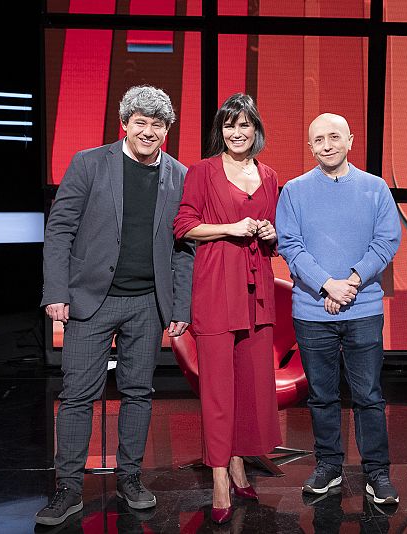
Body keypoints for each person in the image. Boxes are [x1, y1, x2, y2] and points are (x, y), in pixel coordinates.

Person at [36, 85, 195, 526]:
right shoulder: (90, 163)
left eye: (157, 124)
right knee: (77, 397)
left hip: (148, 303)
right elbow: (60, 230)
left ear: (167, 129)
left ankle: (130, 478)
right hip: (92, 299)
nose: (148, 131)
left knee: (138, 393)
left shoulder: (179, 175)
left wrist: (181, 306)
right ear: (124, 123)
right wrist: (56, 293)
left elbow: (184, 249)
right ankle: (68, 488)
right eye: (140, 122)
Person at [276, 113, 402, 505]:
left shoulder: (375, 187)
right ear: (310, 146)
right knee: (322, 395)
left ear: (350, 140)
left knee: (368, 394)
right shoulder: (294, 191)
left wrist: (349, 283)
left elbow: (386, 241)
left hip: (362, 307)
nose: (327, 145)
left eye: (334, 137)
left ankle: (377, 472)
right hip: (312, 310)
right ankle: (328, 465)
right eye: (318, 139)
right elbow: (290, 246)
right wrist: (327, 285)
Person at [173, 93, 281, 524]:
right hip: (217, 289)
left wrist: (270, 232)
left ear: (257, 131)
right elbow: (184, 225)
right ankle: (220, 478)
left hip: (257, 293)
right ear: (220, 132)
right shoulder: (202, 171)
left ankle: (239, 461)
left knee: (249, 386)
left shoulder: (270, 175)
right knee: (218, 390)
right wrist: (229, 228)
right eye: (229, 126)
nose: (237, 133)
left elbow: (275, 233)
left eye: (245, 126)